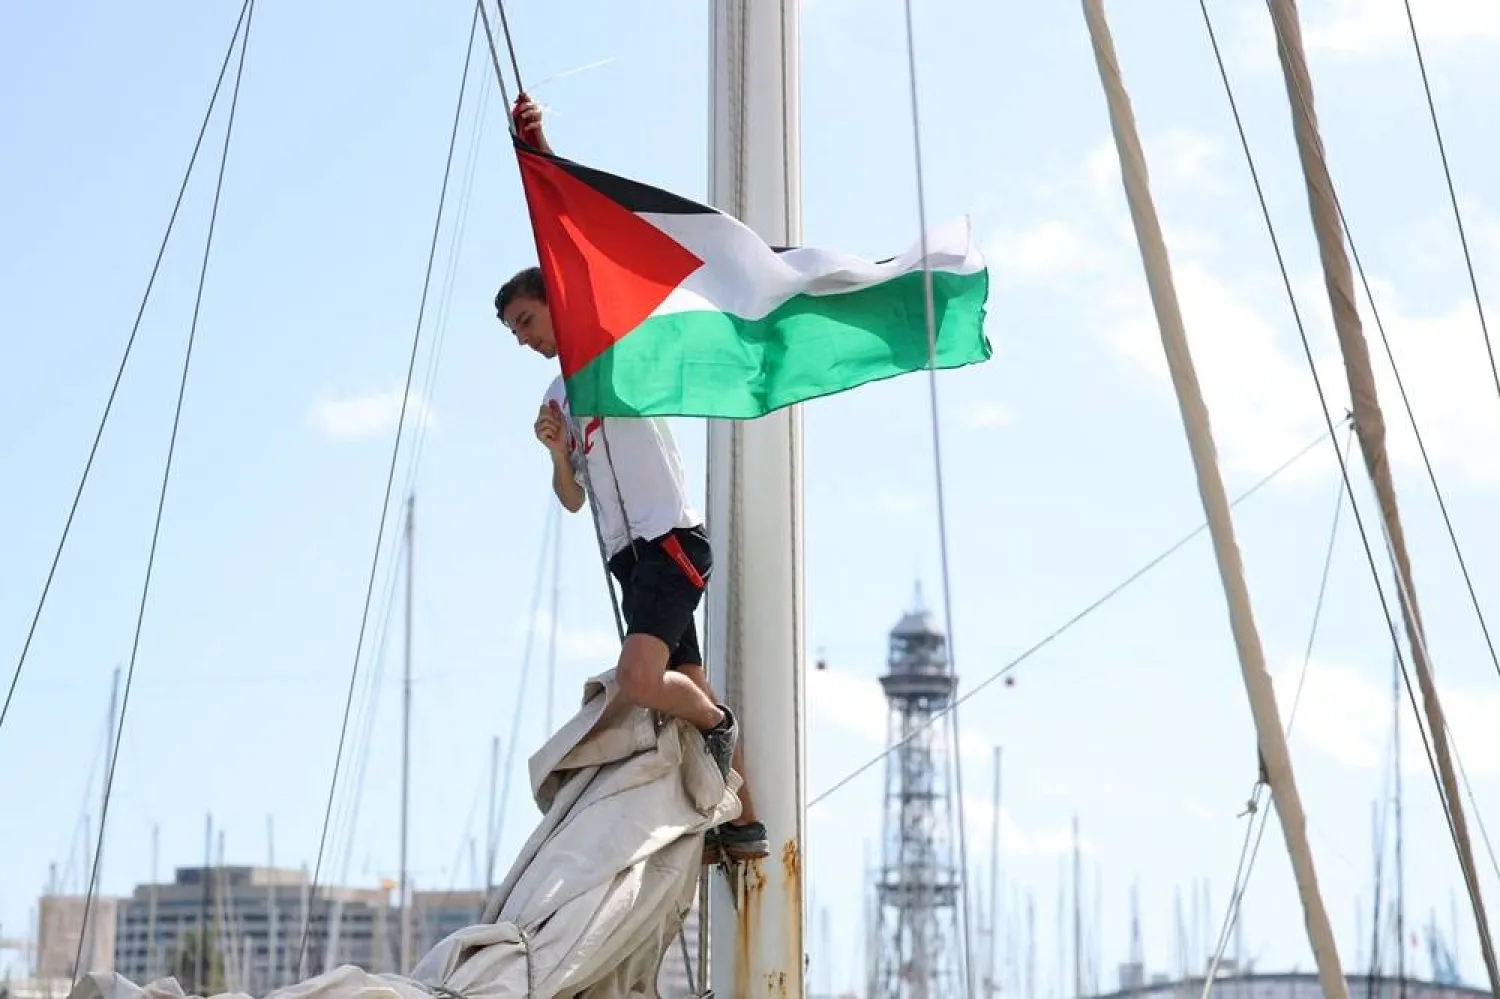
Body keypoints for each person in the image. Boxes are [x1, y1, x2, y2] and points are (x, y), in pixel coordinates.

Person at [495, 97, 768, 864]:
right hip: (627, 556)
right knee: (679, 683)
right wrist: (555, 453)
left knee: (642, 679)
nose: (524, 337)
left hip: (669, 537)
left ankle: (719, 726)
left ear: (552, 300)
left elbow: (574, 251)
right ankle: (738, 816)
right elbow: (573, 499)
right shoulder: (557, 397)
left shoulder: (606, 347)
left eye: (525, 319)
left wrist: (541, 148)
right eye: (515, 331)